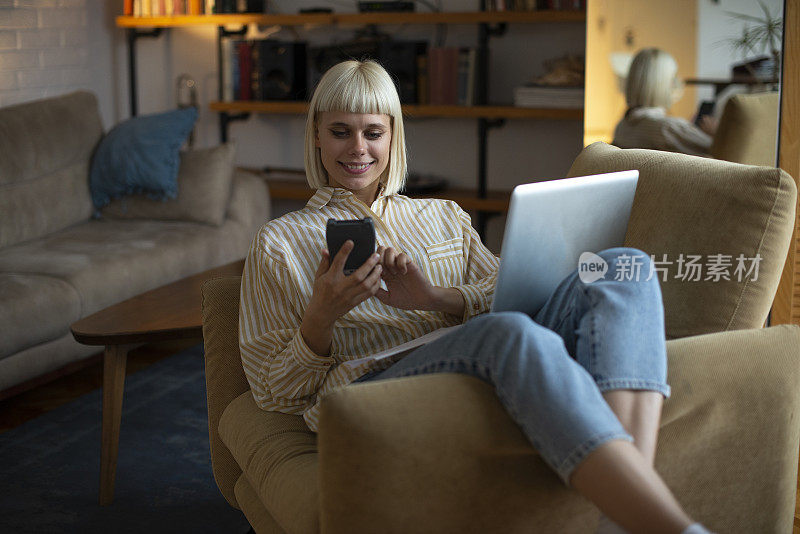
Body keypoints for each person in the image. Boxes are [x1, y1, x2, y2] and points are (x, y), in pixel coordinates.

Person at [239, 59, 713, 534]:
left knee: (624, 266)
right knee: (506, 332)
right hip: (372, 386)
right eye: (341, 131)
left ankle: (620, 516)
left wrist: (437, 298)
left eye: (373, 132)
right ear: (317, 137)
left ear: (393, 137)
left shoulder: (444, 215)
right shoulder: (278, 242)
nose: (358, 148)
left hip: (474, 353)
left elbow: (511, 290)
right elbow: (272, 392)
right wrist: (320, 319)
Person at [613, 48, 716, 157]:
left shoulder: (622, 126)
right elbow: (724, 152)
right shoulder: (668, 127)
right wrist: (715, 133)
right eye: (674, 76)